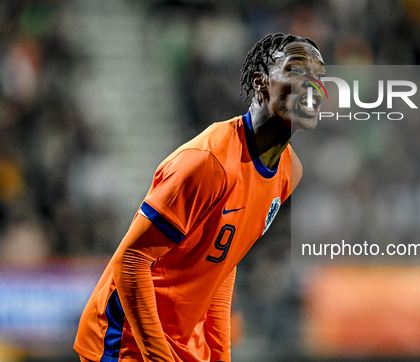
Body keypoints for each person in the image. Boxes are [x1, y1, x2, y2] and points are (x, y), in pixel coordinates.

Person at [73, 33, 325, 362]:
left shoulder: (289, 171)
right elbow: (131, 262)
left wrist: (219, 354)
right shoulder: (208, 162)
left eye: (319, 76)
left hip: (181, 342)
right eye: (296, 72)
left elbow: (222, 264)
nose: (312, 85)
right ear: (260, 84)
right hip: (125, 341)